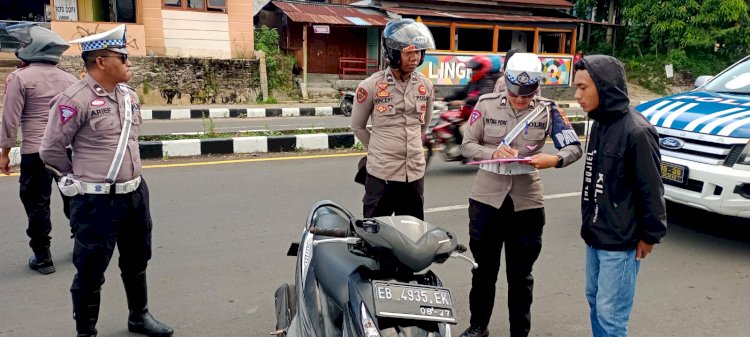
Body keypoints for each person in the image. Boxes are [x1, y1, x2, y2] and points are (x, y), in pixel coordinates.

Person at [39, 24, 173, 337]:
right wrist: (72, 181)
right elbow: (50, 150)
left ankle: (138, 316)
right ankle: (86, 331)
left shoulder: (128, 96)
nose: (129, 63)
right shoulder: (74, 100)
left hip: (135, 194)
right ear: (101, 61)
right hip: (96, 200)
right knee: (90, 269)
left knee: (138, 258)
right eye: (122, 57)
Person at [458, 52, 583, 337]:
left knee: (521, 275)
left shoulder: (548, 110)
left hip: (526, 202)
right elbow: (467, 146)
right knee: (483, 270)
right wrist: (493, 152)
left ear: (536, 86)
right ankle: (478, 325)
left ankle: (520, 332)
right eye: (516, 94)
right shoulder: (487, 104)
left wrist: (554, 159)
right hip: (486, 200)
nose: (520, 100)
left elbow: (574, 147)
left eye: (527, 95)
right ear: (506, 81)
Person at [573, 55, 667, 337]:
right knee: (595, 301)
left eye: (582, 88)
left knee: (611, 314)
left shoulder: (636, 131)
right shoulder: (599, 123)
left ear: (604, 87)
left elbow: (651, 189)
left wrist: (650, 235)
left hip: (621, 240)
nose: (577, 95)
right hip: (595, 234)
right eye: (575, 88)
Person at [0, 24, 77, 275]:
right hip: (66, 151)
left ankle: (43, 257)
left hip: (35, 152)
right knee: (74, 198)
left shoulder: (20, 78)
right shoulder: (70, 79)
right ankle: (83, 245)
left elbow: (10, 119)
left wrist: (4, 152)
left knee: (36, 205)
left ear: (33, 48)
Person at [350, 19, 435, 220]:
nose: (415, 58)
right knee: (375, 236)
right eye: (409, 52)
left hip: (414, 175)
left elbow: (423, 125)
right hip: (382, 176)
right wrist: (379, 150)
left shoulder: (426, 87)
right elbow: (357, 126)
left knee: (412, 236)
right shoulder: (370, 86)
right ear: (393, 53)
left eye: (418, 52)